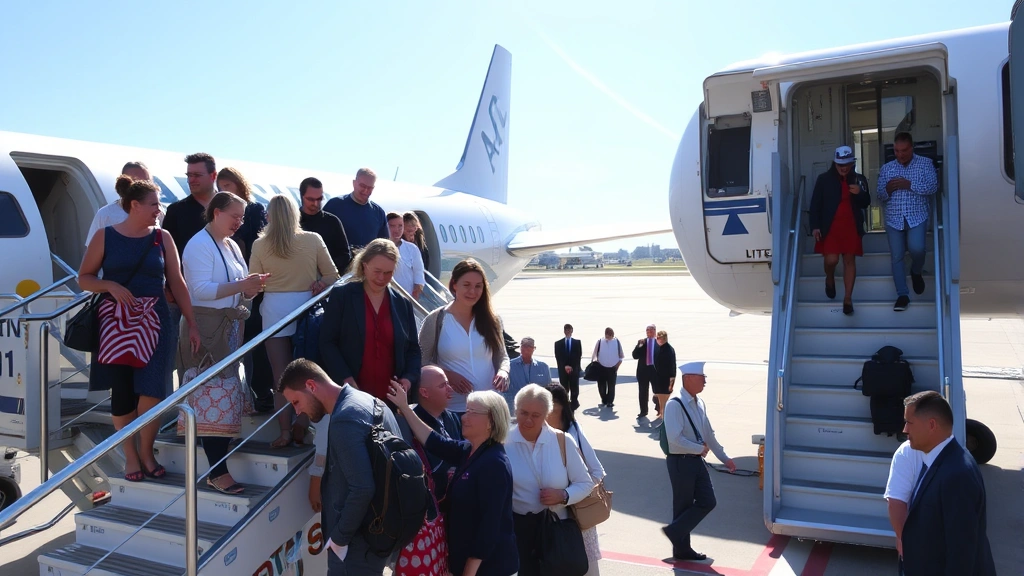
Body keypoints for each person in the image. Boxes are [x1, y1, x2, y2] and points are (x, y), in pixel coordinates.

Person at [79, 176, 201, 482]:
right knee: (121, 391)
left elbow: (177, 282)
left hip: (156, 320)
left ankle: (146, 451)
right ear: (134, 205)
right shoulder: (105, 236)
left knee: (153, 390)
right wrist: (108, 284)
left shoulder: (163, 237)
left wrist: (192, 323)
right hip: (115, 322)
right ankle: (131, 457)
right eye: (153, 204)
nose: (158, 210)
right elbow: (84, 278)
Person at [278, 359, 402, 576]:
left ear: (311, 386)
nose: (297, 412)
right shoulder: (371, 401)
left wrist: (338, 539)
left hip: (355, 548)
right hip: (378, 536)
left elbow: (362, 488)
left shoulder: (345, 419)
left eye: (296, 402)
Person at [180, 192, 266, 494]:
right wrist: (243, 286)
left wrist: (250, 288)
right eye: (235, 216)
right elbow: (200, 290)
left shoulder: (229, 245)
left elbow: (237, 290)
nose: (239, 222)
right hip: (206, 329)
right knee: (212, 397)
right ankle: (217, 471)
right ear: (216, 213)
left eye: (242, 217)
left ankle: (219, 464)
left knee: (223, 395)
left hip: (229, 328)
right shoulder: (198, 245)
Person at [388, 383, 518, 576]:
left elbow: (490, 526)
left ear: (491, 421)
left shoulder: (494, 464)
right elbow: (433, 441)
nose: (463, 417)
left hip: (489, 568)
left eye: (471, 412)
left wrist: (470, 570)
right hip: (465, 563)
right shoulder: (470, 450)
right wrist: (405, 408)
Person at [250, 195, 340, 448]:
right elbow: (333, 276)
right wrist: (319, 283)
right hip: (306, 309)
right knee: (309, 372)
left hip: (274, 311)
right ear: (294, 214)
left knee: (281, 376)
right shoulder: (312, 239)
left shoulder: (260, 244)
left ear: (269, 215)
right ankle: (302, 425)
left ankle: (284, 431)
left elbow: (255, 283)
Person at [899, 391, 995, 576]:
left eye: (909, 423)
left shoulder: (957, 475)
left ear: (932, 425)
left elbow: (961, 552)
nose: (904, 430)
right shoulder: (940, 459)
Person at [506, 384, 595, 576]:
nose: (528, 420)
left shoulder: (562, 440)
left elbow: (586, 483)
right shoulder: (503, 442)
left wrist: (564, 495)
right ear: (515, 410)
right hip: (519, 533)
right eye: (523, 413)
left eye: (536, 415)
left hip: (557, 532)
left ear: (547, 414)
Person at [318, 238, 421, 403]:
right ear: (364, 265)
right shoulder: (342, 296)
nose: (381, 278)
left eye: (388, 273)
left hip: (391, 400)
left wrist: (408, 379)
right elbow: (327, 342)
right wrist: (346, 379)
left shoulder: (403, 304)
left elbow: (413, 350)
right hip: (352, 395)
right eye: (377, 271)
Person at [661, 361, 735, 562]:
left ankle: (675, 532)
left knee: (708, 501)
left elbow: (708, 434)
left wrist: (725, 458)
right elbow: (674, 439)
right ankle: (682, 550)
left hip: (695, 461)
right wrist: (699, 449)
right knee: (683, 506)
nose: (705, 382)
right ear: (689, 379)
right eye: (702, 378)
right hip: (680, 462)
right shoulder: (674, 404)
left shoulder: (699, 403)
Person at [419, 259, 510, 415]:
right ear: (454, 285)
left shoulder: (493, 320)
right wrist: (447, 375)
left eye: (478, 286)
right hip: (452, 409)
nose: (472, 292)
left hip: (489, 409)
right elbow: (422, 361)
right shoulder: (436, 320)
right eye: (466, 285)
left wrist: (504, 372)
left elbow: (503, 356)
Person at [216, 167, 273, 413]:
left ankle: (258, 393)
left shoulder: (254, 211)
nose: (223, 190)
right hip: (231, 286)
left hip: (254, 284)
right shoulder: (217, 216)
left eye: (227, 186)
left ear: (239, 186)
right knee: (234, 345)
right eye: (220, 187)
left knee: (254, 344)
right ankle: (239, 397)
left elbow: (260, 243)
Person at [162, 152, 219, 396]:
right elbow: (162, 254)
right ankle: (182, 413)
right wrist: (167, 288)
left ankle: (219, 415)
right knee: (183, 360)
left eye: (197, 175)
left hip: (223, 300)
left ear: (213, 175)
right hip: (183, 299)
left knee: (222, 361)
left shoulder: (231, 208)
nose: (191, 180)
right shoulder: (176, 211)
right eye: (188, 175)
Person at [545, 383, 605, 576]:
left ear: (562, 405)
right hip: (552, 518)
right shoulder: (539, 435)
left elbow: (597, 471)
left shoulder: (574, 431)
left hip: (578, 514)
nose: (546, 408)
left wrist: (576, 491)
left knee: (587, 566)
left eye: (551, 403)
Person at [877, 132, 939, 312]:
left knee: (917, 248)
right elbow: (880, 194)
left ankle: (916, 271)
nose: (900, 154)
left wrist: (909, 184)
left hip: (916, 216)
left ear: (911, 148)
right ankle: (902, 295)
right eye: (896, 150)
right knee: (896, 256)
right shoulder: (887, 168)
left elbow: (933, 187)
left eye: (903, 150)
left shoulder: (925, 164)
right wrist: (887, 189)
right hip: (894, 218)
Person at [809, 146, 872, 316]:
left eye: (847, 164)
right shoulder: (824, 179)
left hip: (851, 225)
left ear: (852, 163)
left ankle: (848, 299)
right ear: (834, 163)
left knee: (849, 260)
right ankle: (829, 277)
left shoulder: (859, 179)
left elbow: (866, 202)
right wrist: (815, 226)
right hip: (830, 226)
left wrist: (860, 193)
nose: (844, 168)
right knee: (831, 259)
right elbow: (815, 204)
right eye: (840, 164)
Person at [396, 365, 463, 502]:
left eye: (448, 384)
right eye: (443, 385)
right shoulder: (407, 423)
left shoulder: (452, 418)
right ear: (424, 393)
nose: (450, 389)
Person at [85, 162, 160, 248]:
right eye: (135, 182)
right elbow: (91, 250)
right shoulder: (105, 215)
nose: (142, 187)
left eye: (147, 182)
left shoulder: (158, 213)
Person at [323, 167, 388, 250]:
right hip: (337, 261)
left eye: (370, 188)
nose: (365, 190)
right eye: (362, 186)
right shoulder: (335, 205)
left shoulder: (379, 213)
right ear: (354, 183)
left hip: (365, 262)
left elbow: (383, 245)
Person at [298, 177, 352, 276]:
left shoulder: (332, 222)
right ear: (301, 196)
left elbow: (344, 255)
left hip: (326, 283)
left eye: (319, 199)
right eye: (311, 199)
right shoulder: (292, 222)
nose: (316, 203)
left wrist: (325, 274)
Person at [884, 440, 924, 564]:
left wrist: (904, 539)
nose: (905, 429)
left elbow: (895, 503)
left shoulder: (906, 452)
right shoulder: (958, 457)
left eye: (910, 422)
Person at [504, 337, 551, 412]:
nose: (526, 348)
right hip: (516, 408)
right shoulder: (509, 366)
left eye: (529, 346)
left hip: (537, 409)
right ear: (520, 348)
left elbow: (548, 390)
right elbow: (504, 390)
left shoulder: (543, 367)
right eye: (524, 346)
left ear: (534, 348)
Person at [387, 212, 425, 300]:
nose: (397, 230)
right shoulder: (379, 248)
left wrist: (417, 290)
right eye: (392, 226)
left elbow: (419, 272)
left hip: (407, 299)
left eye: (400, 226)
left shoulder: (412, 249)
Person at [591, 327, 624, 408]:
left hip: (613, 368)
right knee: (601, 386)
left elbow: (621, 356)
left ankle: (610, 401)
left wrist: (617, 366)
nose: (608, 337)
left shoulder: (616, 342)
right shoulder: (600, 341)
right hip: (601, 367)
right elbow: (594, 354)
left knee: (611, 386)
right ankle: (604, 399)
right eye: (607, 335)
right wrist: (596, 362)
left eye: (610, 335)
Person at [632, 324, 659, 420]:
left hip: (655, 371)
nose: (649, 332)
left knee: (657, 391)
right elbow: (635, 356)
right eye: (647, 330)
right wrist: (639, 346)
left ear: (655, 331)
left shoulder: (659, 342)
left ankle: (659, 408)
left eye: (651, 330)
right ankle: (643, 411)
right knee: (643, 392)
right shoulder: (642, 342)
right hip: (643, 371)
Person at [553, 324, 582, 410]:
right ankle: (565, 401)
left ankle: (574, 401)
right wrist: (565, 366)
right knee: (564, 386)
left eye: (569, 330)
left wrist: (572, 366)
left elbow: (578, 356)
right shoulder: (558, 343)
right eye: (566, 330)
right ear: (564, 331)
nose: (568, 332)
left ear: (572, 331)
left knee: (574, 386)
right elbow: (558, 357)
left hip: (574, 369)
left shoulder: (577, 342)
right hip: (563, 369)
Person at [652, 330, 677, 421]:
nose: (659, 340)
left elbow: (672, 366)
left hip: (666, 378)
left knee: (665, 400)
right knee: (660, 399)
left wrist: (672, 381)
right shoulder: (657, 348)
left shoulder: (669, 350)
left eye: (661, 338)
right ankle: (662, 413)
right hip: (657, 378)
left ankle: (664, 415)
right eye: (658, 338)